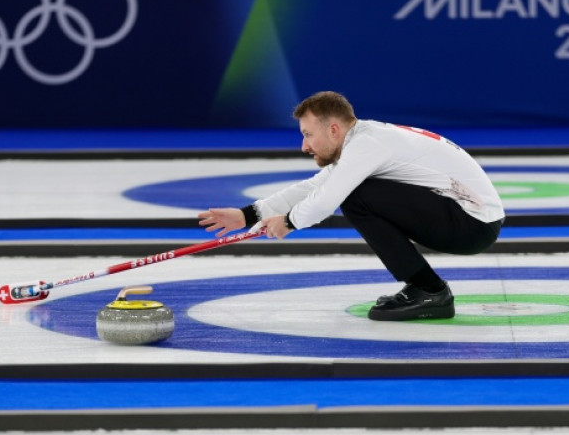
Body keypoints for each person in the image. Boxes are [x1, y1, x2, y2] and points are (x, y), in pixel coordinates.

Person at [199, 91, 504, 321]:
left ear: (333, 129)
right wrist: (247, 214)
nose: (304, 146)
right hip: (470, 219)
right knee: (355, 191)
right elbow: (316, 186)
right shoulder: (363, 141)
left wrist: (289, 222)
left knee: (356, 196)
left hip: (472, 224)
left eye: (308, 134)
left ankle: (429, 291)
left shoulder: (367, 145)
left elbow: (327, 199)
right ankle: (427, 289)